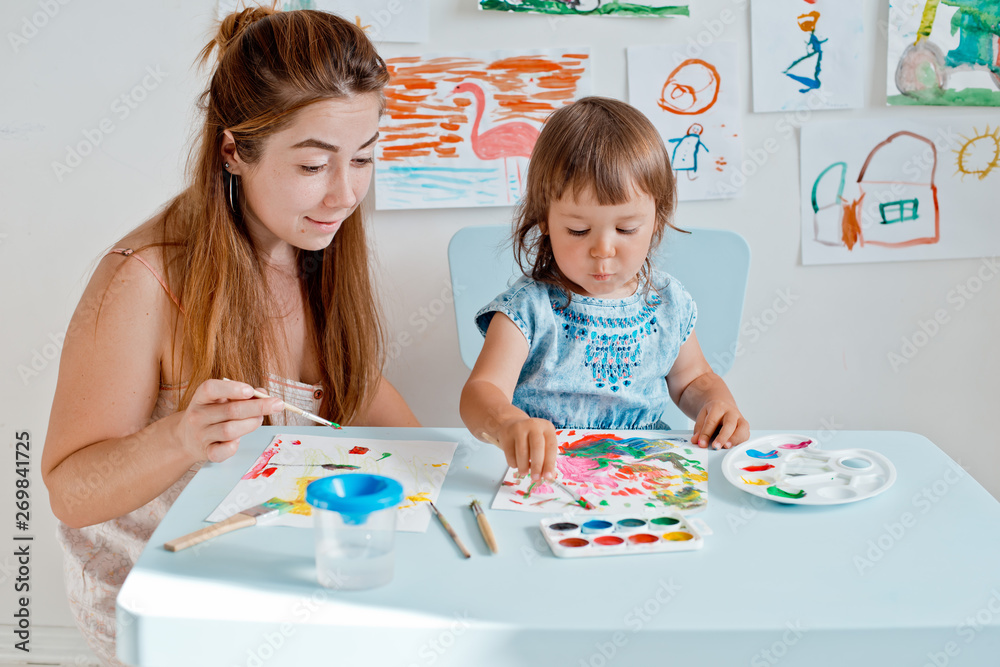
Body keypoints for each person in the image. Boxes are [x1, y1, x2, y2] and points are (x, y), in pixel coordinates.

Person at [40, 7, 418, 665]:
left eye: (363, 158)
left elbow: (355, 391)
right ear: (233, 151)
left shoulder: (310, 247)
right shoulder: (146, 279)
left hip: (261, 565)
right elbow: (70, 489)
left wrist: (463, 467)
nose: (345, 193)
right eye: (313, 165)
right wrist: (180, 437)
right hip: (160, 600)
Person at [460, 96, 749, 482]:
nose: (603, 249)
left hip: (644, 475)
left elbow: (693, 381)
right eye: (578, 230)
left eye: (627, 229)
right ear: (544, 219)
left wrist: (717, 404)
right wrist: (507, 423)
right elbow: (480, 392)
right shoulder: (527, 310)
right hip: (547, 475)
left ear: (657, 219)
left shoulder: (667, 301)